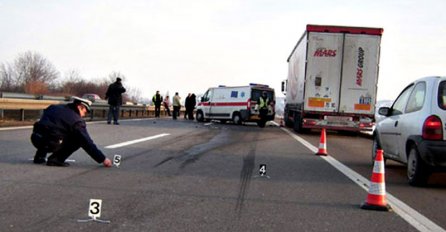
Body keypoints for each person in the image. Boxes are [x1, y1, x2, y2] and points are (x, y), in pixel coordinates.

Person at [30, 97, 112, 167]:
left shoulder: (54, 107)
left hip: (35, 138)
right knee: (78, 139)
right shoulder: (76, 121)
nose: (84, 115)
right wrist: (102, 159)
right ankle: (56, 159)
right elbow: (87, 142)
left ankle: (39, 157)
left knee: (49, 130)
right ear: (80, 107)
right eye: (85, 111)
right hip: (51, 143)